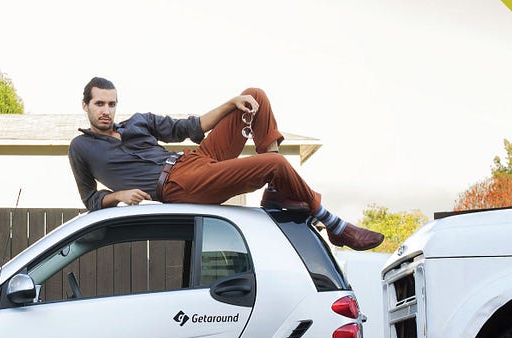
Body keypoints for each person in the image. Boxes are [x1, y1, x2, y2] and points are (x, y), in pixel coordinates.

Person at [67, 76, 384, 251]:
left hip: (196, 159)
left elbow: (190, 127)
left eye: (111, 103)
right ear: (86, 105)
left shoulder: (137, 123)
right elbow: (91, 199)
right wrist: (118, 196)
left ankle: (275, 191)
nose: (106, 110)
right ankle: (333, 224)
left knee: (253, 95)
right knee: (273, 162)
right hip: (178, 186)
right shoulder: (81, 148)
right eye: (99, 104)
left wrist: (232, 103)